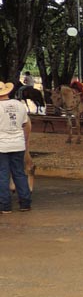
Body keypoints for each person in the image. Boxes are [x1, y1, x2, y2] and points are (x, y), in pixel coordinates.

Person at [0, 81, 32, 214]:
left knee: (3, 175)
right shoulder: (20, 105)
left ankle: (5, 206)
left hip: (2, 145)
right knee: (19, 173)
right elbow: (24, 124)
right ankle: (25, 203)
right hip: (18, 144)